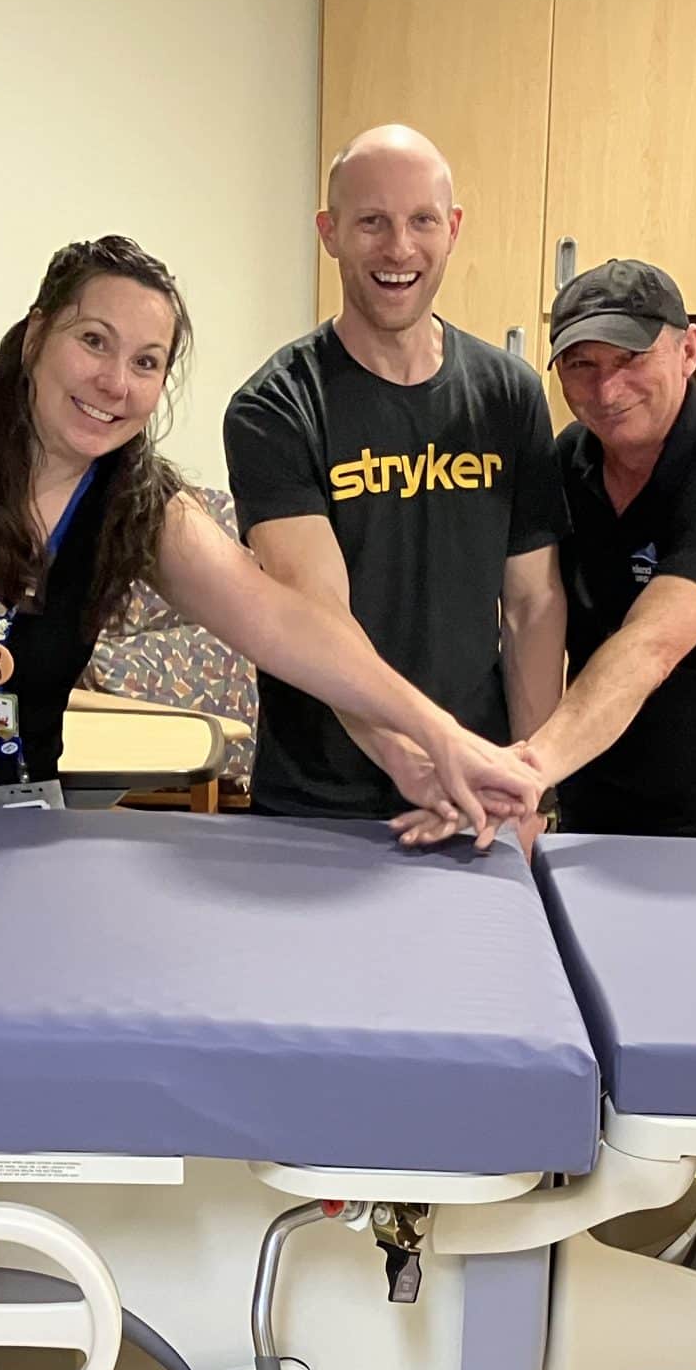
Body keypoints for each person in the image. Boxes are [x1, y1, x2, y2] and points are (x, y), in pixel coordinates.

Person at [0, 235, 541, 847]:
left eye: (148, 363)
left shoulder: (142, 508)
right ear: (38, 334)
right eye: (95, 342)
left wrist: (437, 736)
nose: (116, 383)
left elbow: (290, 625)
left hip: (0, 850)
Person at [222, 126, 566, 840]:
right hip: (318, 801)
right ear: (330, 232)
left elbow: (532, 605)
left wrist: (527, 785)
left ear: (454, 230)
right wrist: (419, 754)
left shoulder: (510, 395)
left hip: (480, 795)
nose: (399, 249)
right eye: (371, 221)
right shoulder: (276, 408)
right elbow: (317, 617)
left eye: (422, 221)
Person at [512, 258, 696, 839]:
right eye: (581, 365)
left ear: (689, 350)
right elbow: (526, 610)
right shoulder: (565, 465)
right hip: (596, 801)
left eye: (630, 359)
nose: (606, 389)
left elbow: (649, 647)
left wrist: (525, 774)